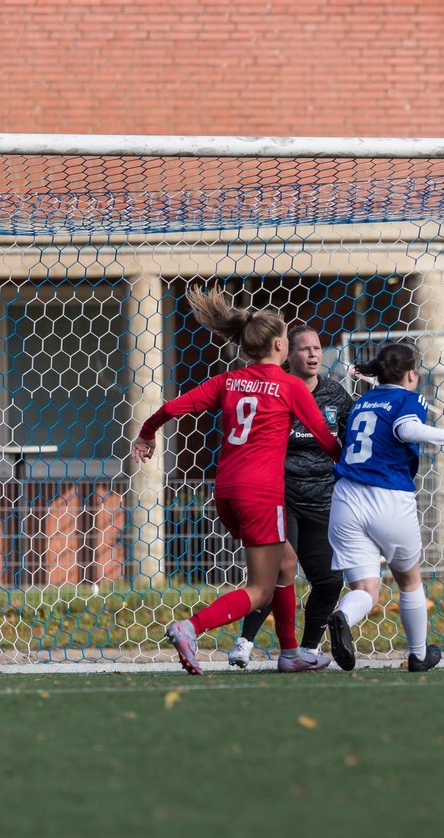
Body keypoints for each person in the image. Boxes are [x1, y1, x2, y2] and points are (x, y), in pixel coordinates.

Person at [132, 287, 342, 676]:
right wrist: (352, 469)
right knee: (260, 588)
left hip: (226, 490)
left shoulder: (229, 381)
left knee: (286, 565)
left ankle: (291, 652)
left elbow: (171, 407)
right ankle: (189, 628)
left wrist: (146, 433)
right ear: (281, 344)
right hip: (262, 493)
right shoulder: (290, 385)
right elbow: (324, 438)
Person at [324, 342, 444, 672]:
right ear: (412, 373)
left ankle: (342, 616)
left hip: (346, 498)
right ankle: (418, 654)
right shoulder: (410, 398)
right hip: (388, 498)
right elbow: (406, 429)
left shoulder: (364, 400)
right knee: (409, 581)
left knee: (366, 589)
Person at [228, 324, 353, 671]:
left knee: (329, 581)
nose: (313, 354)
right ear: (288, 353)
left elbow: (349, 441)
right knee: (275, 574)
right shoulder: (276, 389)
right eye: (304, 348)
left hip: (323, 498)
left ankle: (308, 648)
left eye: (317, 348)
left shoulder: (336, 396)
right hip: (279, 495)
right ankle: (245, 642)